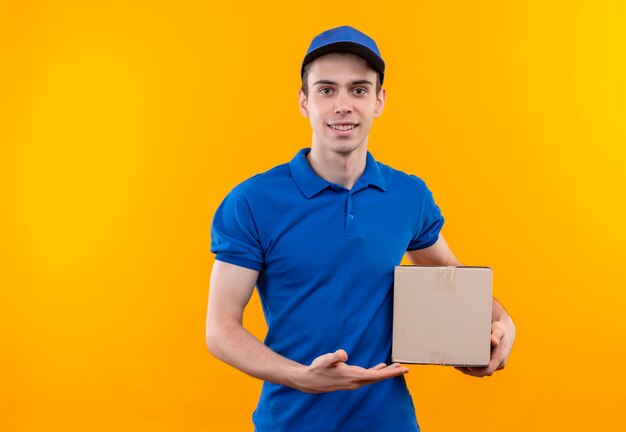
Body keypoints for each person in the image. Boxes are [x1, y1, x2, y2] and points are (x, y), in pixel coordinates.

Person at [206, 25, 516, 432]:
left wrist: (503, 321)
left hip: (390, 420)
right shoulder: (252, 201)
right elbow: (221, 329)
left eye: (358, 90)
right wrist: (303, 377)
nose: (342, 106)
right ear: (304, 102)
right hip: (290, 421)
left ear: (379, 100)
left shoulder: (408, 195)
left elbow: (452, 278)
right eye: (326, 90)